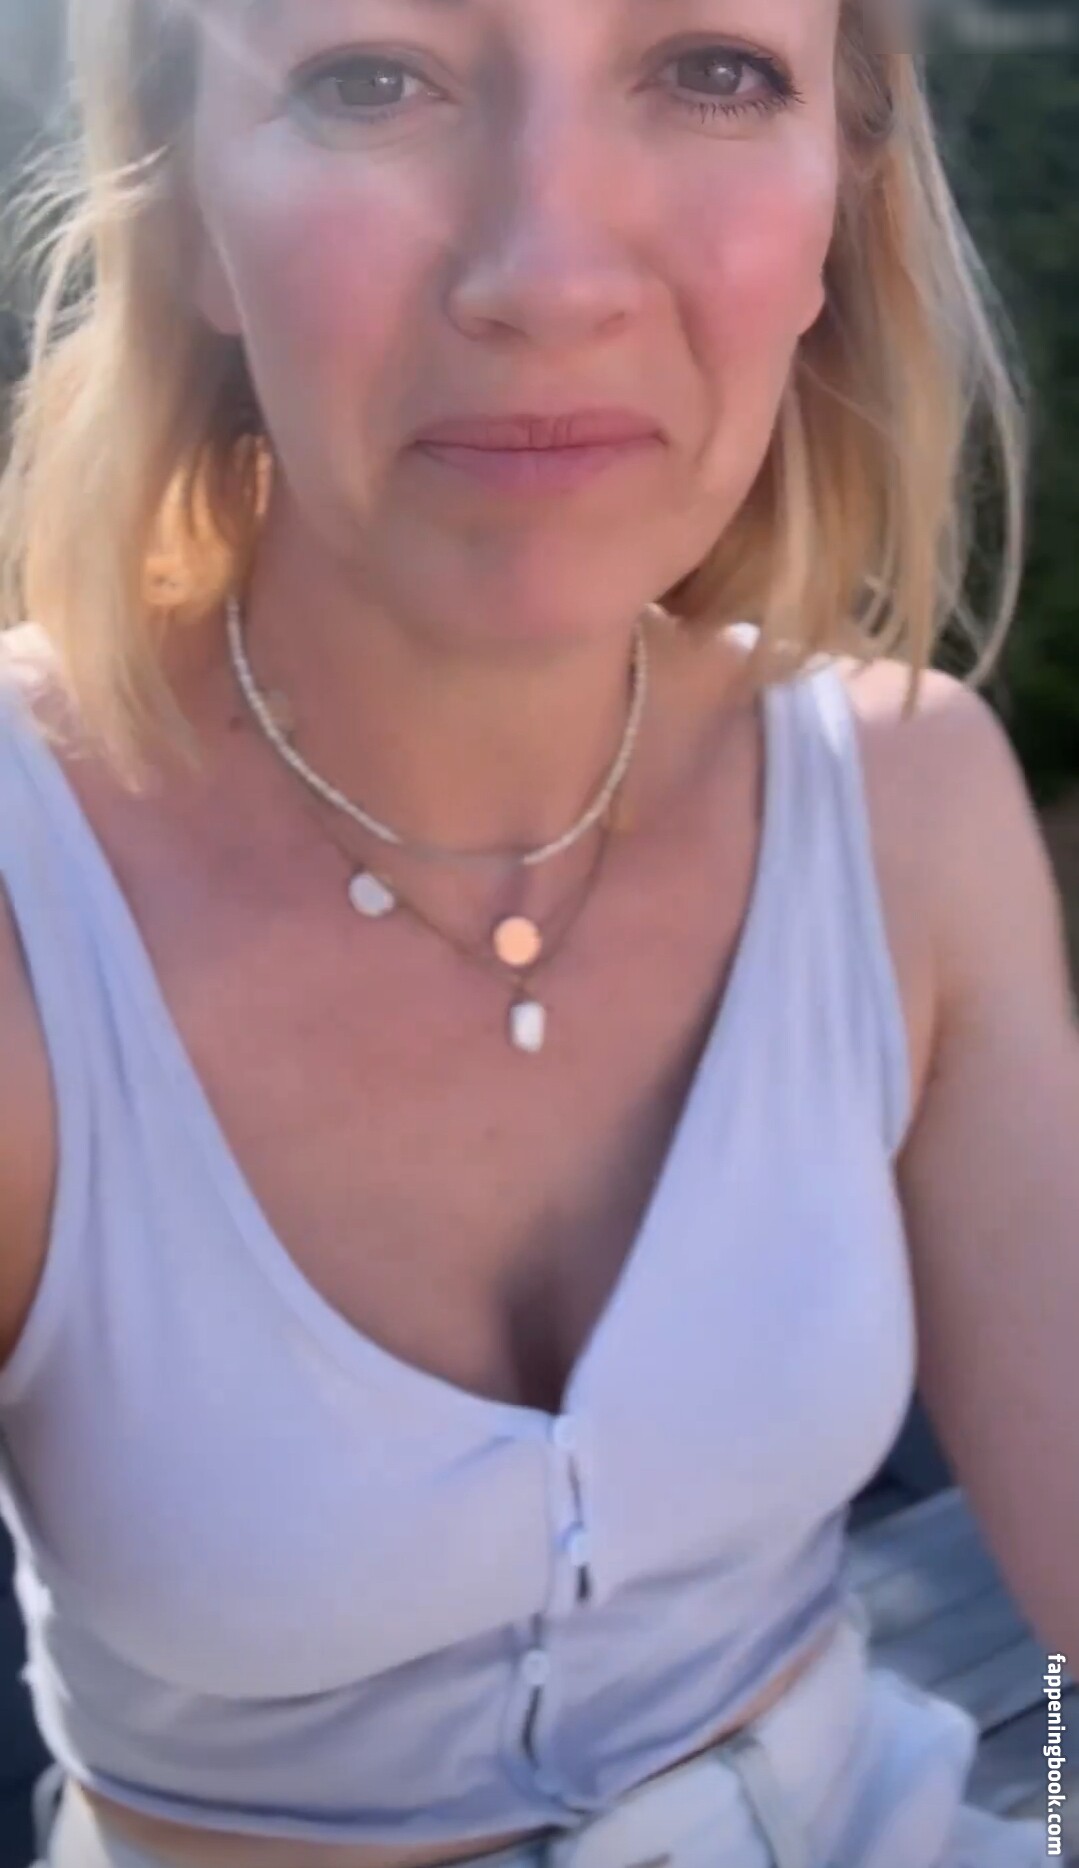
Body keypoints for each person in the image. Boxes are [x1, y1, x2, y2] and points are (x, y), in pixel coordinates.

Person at [0, 0, 1074, 1864]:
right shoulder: (32, 889)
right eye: (369, 79)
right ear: (191, 227)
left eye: (713, 70)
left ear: (841, 205)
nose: (552, 276)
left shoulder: (910, 800)